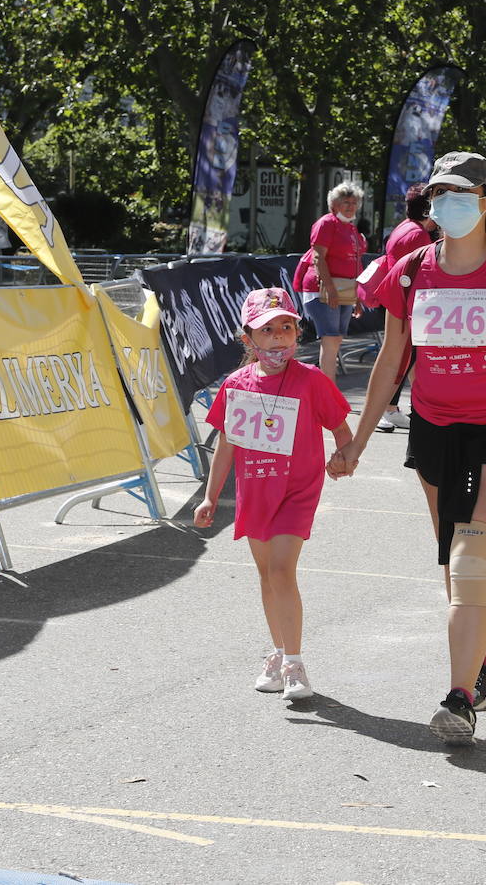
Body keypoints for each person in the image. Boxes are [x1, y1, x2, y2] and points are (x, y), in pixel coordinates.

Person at [327, 151, 486, 744]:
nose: (448, 202)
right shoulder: (411, 269)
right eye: (438, 192)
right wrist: (355, 444)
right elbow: (391, 362)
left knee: (469, 556)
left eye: (462, 191)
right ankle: (479, 662)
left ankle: (458, 698)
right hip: (434, 429)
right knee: (453, 559)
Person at [194, 288, 353, 697]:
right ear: (248, 339)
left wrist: (342, 457)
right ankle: (280, 654)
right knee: (267, 577)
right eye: (268, 330)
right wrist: (210, 497)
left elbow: (341, 428)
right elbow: (226, 443)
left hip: (297, 491)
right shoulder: (237, 385)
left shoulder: (312, 380)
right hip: (255, 491)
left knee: (282, 570)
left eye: (287, 327)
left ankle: (296, 665)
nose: (279, 336)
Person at [373, 184, 436, 432]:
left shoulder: (404, 227)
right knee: (402, 360)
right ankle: (384, 410)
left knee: (408, 360)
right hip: (406, 304)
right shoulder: (418, 235)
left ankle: (391, 408)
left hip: (397, 301)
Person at [294, 182, 367, 382]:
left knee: (335, 340)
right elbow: (318, 257)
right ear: (334, 204)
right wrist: (330, 289)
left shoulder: (351, 229)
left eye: (354, 202)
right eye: (346, 202)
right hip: (322, 290)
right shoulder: (326, 223)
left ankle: (326, 388)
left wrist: (358, 297)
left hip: (344, 290)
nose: (351, 206)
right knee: (331, 339)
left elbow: (356, 264)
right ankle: (328, 390)